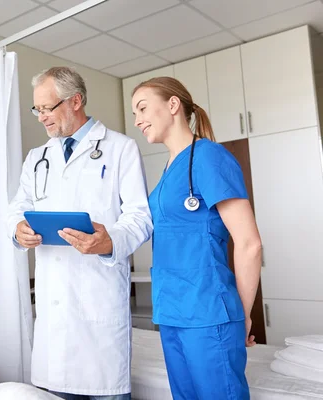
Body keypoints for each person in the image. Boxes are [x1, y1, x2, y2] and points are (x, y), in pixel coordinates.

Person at [7, 67, 153, 400]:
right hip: (54, 313)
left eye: (48, 108)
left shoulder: (120, 149)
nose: (41, 117)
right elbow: (17, 208)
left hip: (98, 305)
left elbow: (140, 217)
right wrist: (18, 230)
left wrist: (110, 241)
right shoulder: (37, 158)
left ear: (76, 101)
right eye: (38, 109)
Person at [131, 77, 263, 400]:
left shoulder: (208, 157)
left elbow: (249, 243)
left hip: (207, 314)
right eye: (135, 113)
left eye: (143, 108)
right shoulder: (168, 170)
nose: (137, 121)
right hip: (172, 314)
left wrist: (241, 316)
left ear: (173, 105)